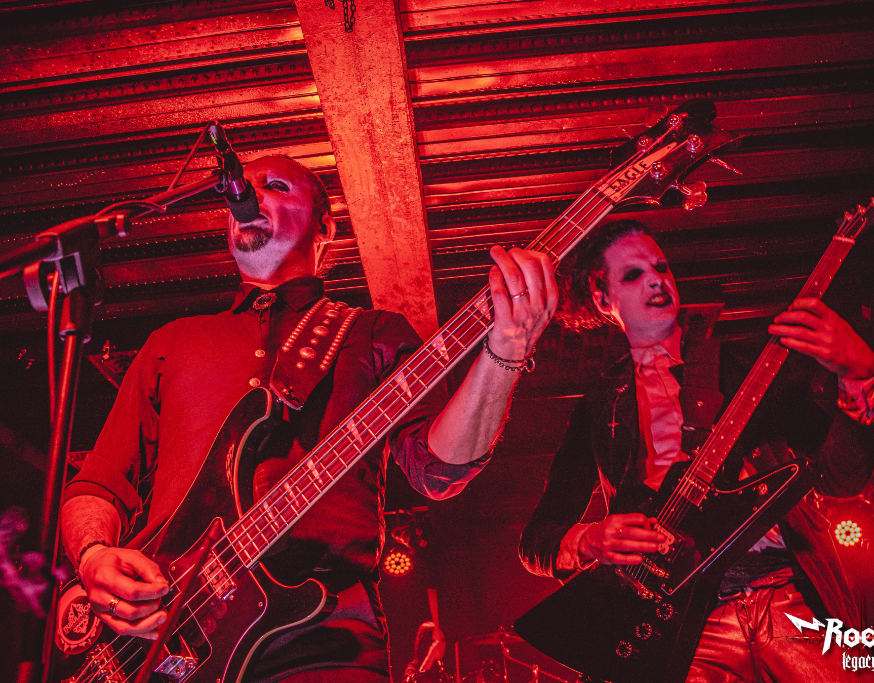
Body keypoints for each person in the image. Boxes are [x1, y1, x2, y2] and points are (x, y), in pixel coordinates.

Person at [60, 154, 558, 682]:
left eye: (275, 186)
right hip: (162, 638)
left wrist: (504, 353)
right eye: (241, 188)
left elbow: (438, 469)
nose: (248, 197)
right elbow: (99, 484)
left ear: (326, 227)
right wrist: (93, 557)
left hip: (325, 637)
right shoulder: (173, 341)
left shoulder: (372, 332)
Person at [519, 220, 874, 682]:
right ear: (602, 296)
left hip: (787, 592)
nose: (656, 280)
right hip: (680, 624)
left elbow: (842, 479)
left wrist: (861, 377)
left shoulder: (747, 367)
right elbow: (536, 542)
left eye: (661, 268)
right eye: (633, 274)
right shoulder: (599, 404)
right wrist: (588, 539)